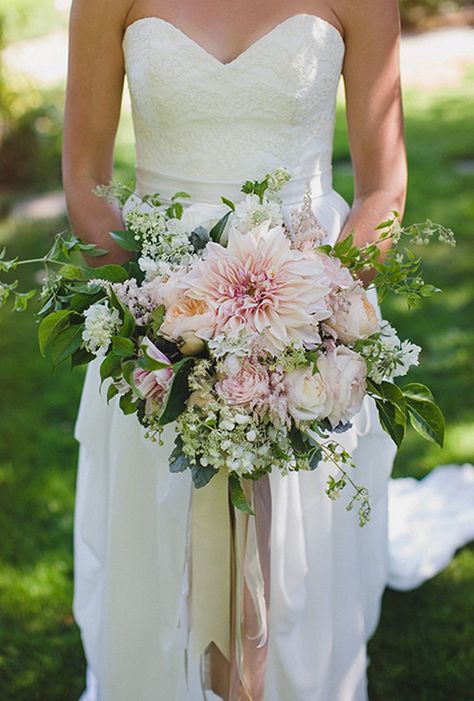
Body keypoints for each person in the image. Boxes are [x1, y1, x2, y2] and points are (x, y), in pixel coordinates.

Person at [63, 1, 407, 699]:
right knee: (159, 539)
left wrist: (313, 313)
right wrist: (157, 322)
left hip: (307, 307)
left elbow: (383, 187)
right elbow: (86, 184)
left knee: (294, 547)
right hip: (160, 308)